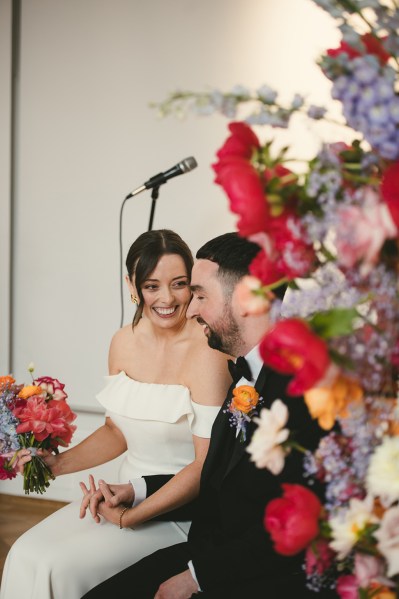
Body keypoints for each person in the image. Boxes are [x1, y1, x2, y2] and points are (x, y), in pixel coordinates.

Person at [81, 231, 332, 599]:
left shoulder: (308, 391)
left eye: (199, 294)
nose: (191, 308)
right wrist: (136, 490)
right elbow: (224, 484)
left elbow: (301, 527)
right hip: (211, 551)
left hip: (265, 578)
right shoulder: (245, 373)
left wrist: (197, 578)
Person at [0, 229, 232, 599]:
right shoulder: (122, 341)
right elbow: (116, 430)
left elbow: (204, 467)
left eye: (179, 284)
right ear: (132, 285)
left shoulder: (208, 351)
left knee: (55, 566)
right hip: (120, 495)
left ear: (193, 283)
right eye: (152, 286)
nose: (167, 299)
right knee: (27, 556)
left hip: (179, 510)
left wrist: (133, 516)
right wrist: (56, 465)